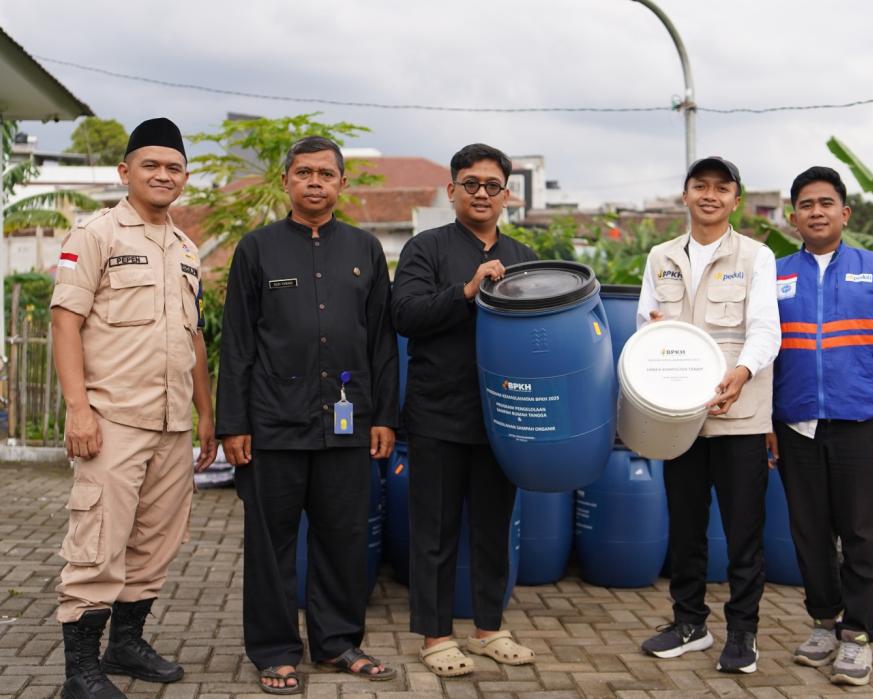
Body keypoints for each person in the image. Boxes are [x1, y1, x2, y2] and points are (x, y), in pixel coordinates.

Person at [215, 136, 398, 693]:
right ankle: (274, 650)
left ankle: (338, 643)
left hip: (347, 425)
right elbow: (239, 342)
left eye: (325, 173)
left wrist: (384, 416)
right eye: (303, 172)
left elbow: (382, 343)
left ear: (342, 183)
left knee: (343, 536)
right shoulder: (257, 249)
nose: (314, 182)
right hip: (273, 423)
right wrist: (233, 424)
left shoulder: (366, 251)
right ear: (286, 181)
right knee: (270, 544)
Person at [50, 117, 217, 699]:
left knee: (153, 544)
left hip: (173, 424)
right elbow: (65, 322)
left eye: (174, 167)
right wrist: (78, 409)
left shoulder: (187, 247)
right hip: (114, 418)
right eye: (151, 165)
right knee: (98, 543)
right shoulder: (96, 235)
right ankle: (80, 672)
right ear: (126, 172)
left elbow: (193, 336)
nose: (163, 175)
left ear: (184, 177)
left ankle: (125, 646)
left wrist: (207, 414)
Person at [391, 143, 538, 678]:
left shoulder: (524, 257)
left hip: (502, 418)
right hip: (438, 415)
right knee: (434, 530)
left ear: (507, 194)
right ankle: (435, 637)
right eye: (470, 183)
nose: (482, 193)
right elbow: (405, 315)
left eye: (492, 185)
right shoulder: (424, 249)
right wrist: (466, 291)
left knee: (495, 528)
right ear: (451, 191)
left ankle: (489, 629)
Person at [768, 166, 873, 686]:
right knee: (809, 533)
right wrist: (768, 421)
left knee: (860, 535)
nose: (816, 211)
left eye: (825, 203)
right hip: (797, 425)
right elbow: (766, 354)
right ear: (793, 218)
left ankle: (857, 637)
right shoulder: (777, 274)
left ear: (844, 213)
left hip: (863, 423)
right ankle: (821, 623)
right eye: (806, 204)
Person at [636, 157, 780, 674]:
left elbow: (767, 330)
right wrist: (653, 333)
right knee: (686, 525)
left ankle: (743, 633)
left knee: (744, 530)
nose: (711, 195)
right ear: (686, 195)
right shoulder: (660, 257)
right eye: (701, 186)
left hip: (739, 414)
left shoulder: (758, 257)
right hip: (681, 417)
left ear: (736, 200)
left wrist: (739, 374)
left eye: (722, 188)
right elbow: (643, 326)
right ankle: (689, 623)